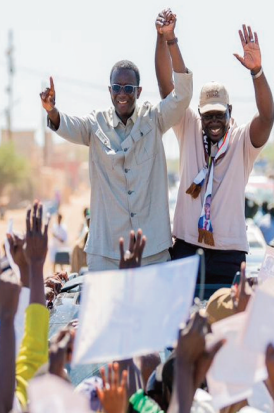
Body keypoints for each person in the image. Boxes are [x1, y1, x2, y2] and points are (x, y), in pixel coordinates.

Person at [39, 8, 193, 272]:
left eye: (129, 88)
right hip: (106, 252)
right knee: (106, 313)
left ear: (138, 91)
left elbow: (182, 95)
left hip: (152, 250)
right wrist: (52, 111)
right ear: (110, 90)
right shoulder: (94, 124)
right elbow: (67, 125)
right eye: (118, 88)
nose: (123, 94)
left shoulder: (153, 119)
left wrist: (171, 39)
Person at [160, 21, 274, 284]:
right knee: (183, 321)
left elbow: (267, 117)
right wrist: (167, 40)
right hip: (187, 246)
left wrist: (257, 72)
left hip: (229, 252)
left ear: (230, 113)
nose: (214, 121)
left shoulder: (241, 140)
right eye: (208, 115)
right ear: (199, 114)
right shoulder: (188, 127)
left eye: (219, 114)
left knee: (228, 321)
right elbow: (168, 90)